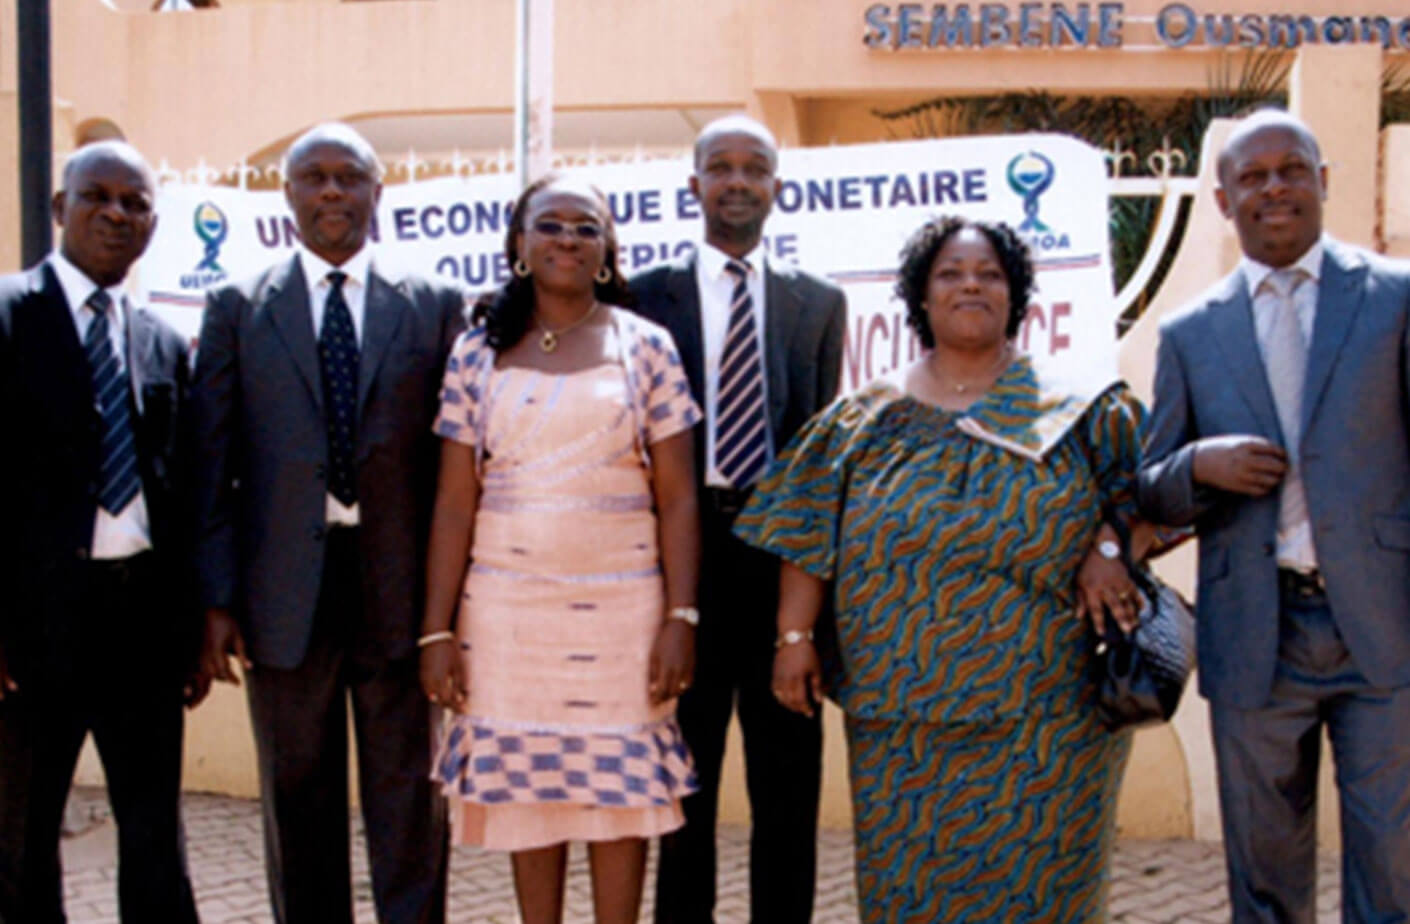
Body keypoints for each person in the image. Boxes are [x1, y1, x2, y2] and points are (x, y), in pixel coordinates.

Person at [735, 216, 1155, 923]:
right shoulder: (863, 419)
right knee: (910, 893)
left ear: (1015, 296)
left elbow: (1156, 495)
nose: (971, 285)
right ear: (920, 297)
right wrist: (794, 639)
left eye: (990, 274)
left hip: (1047, 715)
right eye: (951, 274)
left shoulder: (1083, 410)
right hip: (900, 717)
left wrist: (1109, 549)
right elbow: (805, 527)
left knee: (1042, 893)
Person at [1139, 108, 1410, 923]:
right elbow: (1149, 485)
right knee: (1264, 867)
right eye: (1251, 177)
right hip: (1258, 631)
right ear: (1223, 201)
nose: (1275, 188)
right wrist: (1198, 466)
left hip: (1382, 625)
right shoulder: (1191, 333)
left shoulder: (1395, 298)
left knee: (1392, 861)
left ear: (1323, 182)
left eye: (1291, 170)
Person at [191, 122, 464, 924]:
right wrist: (215, 599)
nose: (333, 192)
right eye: (315, 177)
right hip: (282, 597)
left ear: (379, 194)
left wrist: (451, 609)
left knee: (410, 801)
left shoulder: (433, 304)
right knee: (296, 799)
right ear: (289, 195)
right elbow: (213, 465)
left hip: (400, 592)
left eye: (351, 177)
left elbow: (456, 466)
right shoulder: (238, 308)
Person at [420, 173, 700, 924]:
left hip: (622, 616)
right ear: (520, 244)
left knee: (621, 799)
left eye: (586, 227)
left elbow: (677, 497)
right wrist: (437, 630)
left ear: (607, 248)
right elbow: (453, 504)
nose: (568, 239)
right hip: (509, 615)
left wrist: (682, 615)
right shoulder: (476, 353)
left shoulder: (646, 346)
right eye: (550, 225)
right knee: (529, 799)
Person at [630, 114, 846, 924]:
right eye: (719, 168)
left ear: (777, 189)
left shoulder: (817, 305)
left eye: (754, 168)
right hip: (682, 561)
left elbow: (821, 454)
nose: (737, 181)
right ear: (694, 187)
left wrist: (808, 608)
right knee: (683, 782)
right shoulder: (645, 298)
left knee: (788, 781)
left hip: (782, 564)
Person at [0, 140, 201, 923]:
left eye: (136, 203)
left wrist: (187, 627)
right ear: (60, 208)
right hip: (33, 627)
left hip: (143, 625)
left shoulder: (158, 340)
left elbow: (176, 494)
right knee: (20, 837)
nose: (116, 214)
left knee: (155, 837)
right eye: (98, 197)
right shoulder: (10, 316)